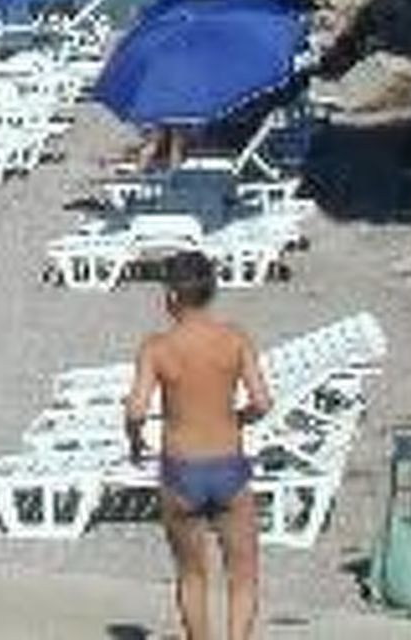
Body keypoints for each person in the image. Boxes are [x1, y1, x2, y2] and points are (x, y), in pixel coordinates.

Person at [125, 252, 272, 640]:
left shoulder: (156, 347)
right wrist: (237, 419)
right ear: (211, 291)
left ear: (172, 296)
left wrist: (135, 440)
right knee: (243, 575)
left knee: (192, 576)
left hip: (181, 472)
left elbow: (137, 409)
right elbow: (262, 402)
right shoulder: (235, 339)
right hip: (228, 467)